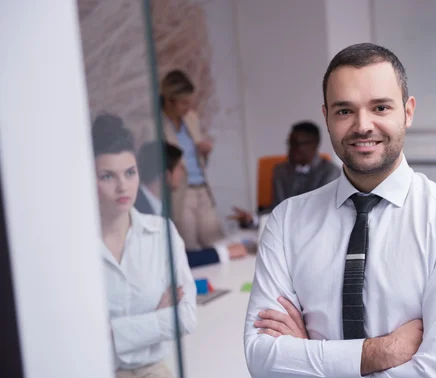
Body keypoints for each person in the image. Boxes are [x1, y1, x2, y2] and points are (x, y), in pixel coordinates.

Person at [244, 43, 436, 378]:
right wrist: (381, 351)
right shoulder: (287, 221)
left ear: (408, 112)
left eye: (380, 107)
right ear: (327, 117)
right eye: (345, 110)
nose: (363, 126)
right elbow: (261, 358)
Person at [92, 114, 197, 378]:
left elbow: (186, 316)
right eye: (107, 176)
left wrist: (113, 331)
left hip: (145, 375)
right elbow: (78, 336)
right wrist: (157, 319)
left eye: (130, 172)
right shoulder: (75, 248)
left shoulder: (161, 233)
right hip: (87, 374)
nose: (123, 187)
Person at [135, 140, 248, 267]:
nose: (183, 172)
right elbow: (170, 260)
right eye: (179, 167)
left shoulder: (153, 203)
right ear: (166, 176)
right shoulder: (140, 210)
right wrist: (224, 252)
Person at [230, 121, 341, 228]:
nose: (291, 149)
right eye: (290, 143)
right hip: (282, 232)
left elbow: (320, 212)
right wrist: (253, 219)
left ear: (314, 145)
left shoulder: (331, 173)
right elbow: (277, 208)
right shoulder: (280, 170)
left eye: (297, 144)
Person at [160, 69, 224, 250]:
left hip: (202, 187)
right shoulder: (155, 125)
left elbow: (196, 152)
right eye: (183, 103)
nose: (188, 107)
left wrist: (205, 151)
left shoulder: (191, 118)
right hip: (180, 191)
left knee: (215, 240)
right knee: (189, 246)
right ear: (169, 100)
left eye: (190, 102)